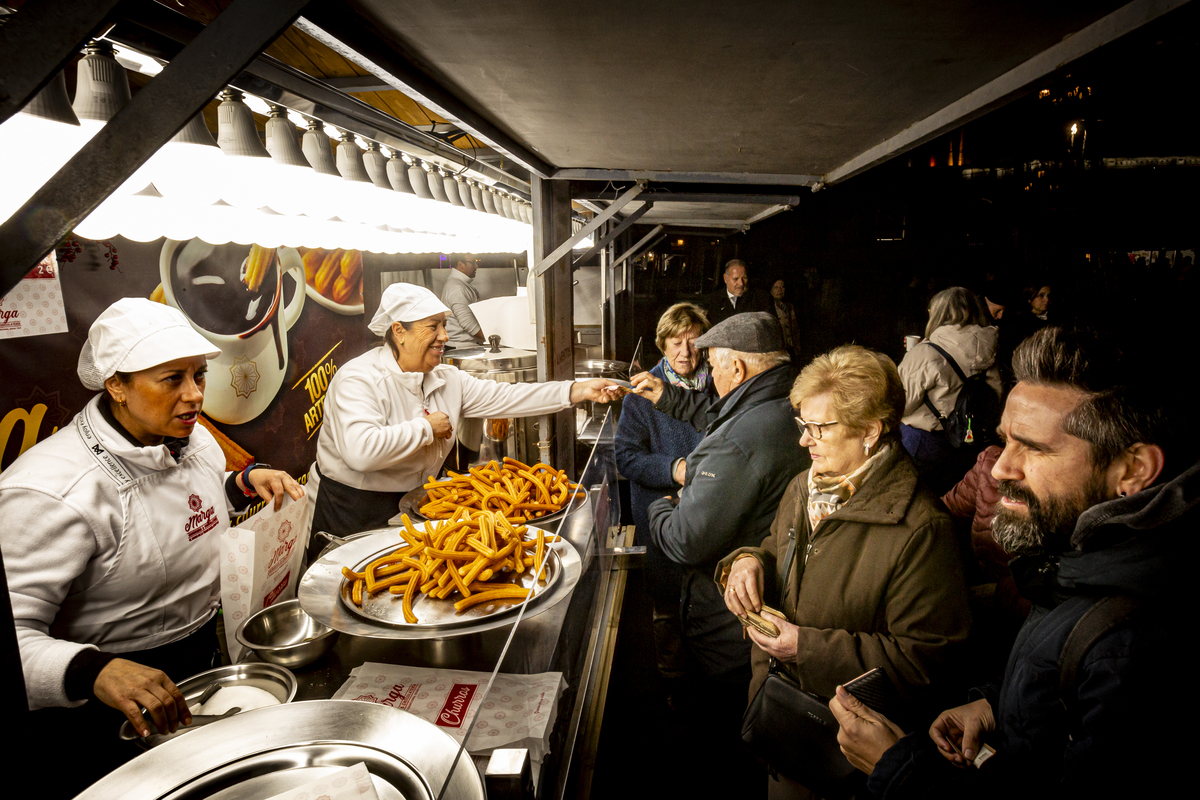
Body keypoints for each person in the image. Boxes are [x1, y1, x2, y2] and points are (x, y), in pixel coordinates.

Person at [828, 326, 1187, 798]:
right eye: (1005, 441)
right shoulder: (1078, 554)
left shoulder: (1132, 649)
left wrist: (898, 769)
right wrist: (995, 705)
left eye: (1034, 448)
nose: (1000, 468)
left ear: (1133, 470)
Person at [0, 298, 304, 791]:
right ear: (116, 385)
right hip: (106, 704)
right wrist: (93, 670)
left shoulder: (193, 439)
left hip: (204, 657)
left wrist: (242, 483)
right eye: (172, 379)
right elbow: (14, 634)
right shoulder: (51, 492)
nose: (194, 396)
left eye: (198, 375)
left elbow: (182, 505)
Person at [719, 344, 970, 799]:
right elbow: (782, 549)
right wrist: (748, 560)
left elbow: (927, 662)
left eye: (818, 428)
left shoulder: (922, 530)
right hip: (778, 716)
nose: (803, 440)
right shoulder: (805, 486)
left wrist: (805, 648)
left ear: (870, 431)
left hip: (842, 755)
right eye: (802, 424)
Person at [309, 283, 619, 546]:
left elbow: (509, 396)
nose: (444, 335)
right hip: (354, 509)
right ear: (399, 332)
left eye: (443, 325)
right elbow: (361, 453)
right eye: (433, 326)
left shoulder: (447, 378)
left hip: (417, 502)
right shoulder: (359, 379)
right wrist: (426, 429)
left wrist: (579, 390)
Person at [631, 312, 807, 743]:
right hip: (769, 595)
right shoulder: (787, 405)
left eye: (712, 363)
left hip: (727, 620)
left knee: (719, 726)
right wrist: (668, 398)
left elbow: (684, 541)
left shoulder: (737, 441)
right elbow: (718, 411)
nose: (707, 370)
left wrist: (663, 505)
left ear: (737, 367)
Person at [614, 302, 713, 695]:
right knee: (667, 605)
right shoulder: (642, 392)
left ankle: (709, 682)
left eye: (692, 341)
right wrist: (673, 469)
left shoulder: (719, 384)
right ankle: (673, 684)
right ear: (662, 344)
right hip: (662, 519)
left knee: (708, 599)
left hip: (709, 514)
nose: (684, 352)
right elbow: (626, 456)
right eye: (676, 342)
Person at [897, 286, 1000, 493]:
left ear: (940, 314)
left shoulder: (925, 352)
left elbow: (902, 404)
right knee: (955, 500)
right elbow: (995, 395)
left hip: (926, 444)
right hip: (969, 442)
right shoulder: (990, 349)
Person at [702, 259, 772, 325]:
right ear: (725, 278)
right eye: (736, 279)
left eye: (744, 278)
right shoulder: (711, 301)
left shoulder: (762, 299)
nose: (741, 283)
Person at [441, 255, 485, 348]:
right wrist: (492, 339)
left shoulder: (460, 284)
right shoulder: (457, 288)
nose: (476, 266)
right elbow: (469, 324)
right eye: (473, 262)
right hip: (461, 348)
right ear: (461, 265)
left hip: (465, 346)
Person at [770, 278, 802, 358]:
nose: (779, 290)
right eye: (776, 287)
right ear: (771, 291)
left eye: (782, 287)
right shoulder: (769, 308)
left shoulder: (789, 306)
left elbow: (795, 329)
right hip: (778, 351)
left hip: (791, 349)